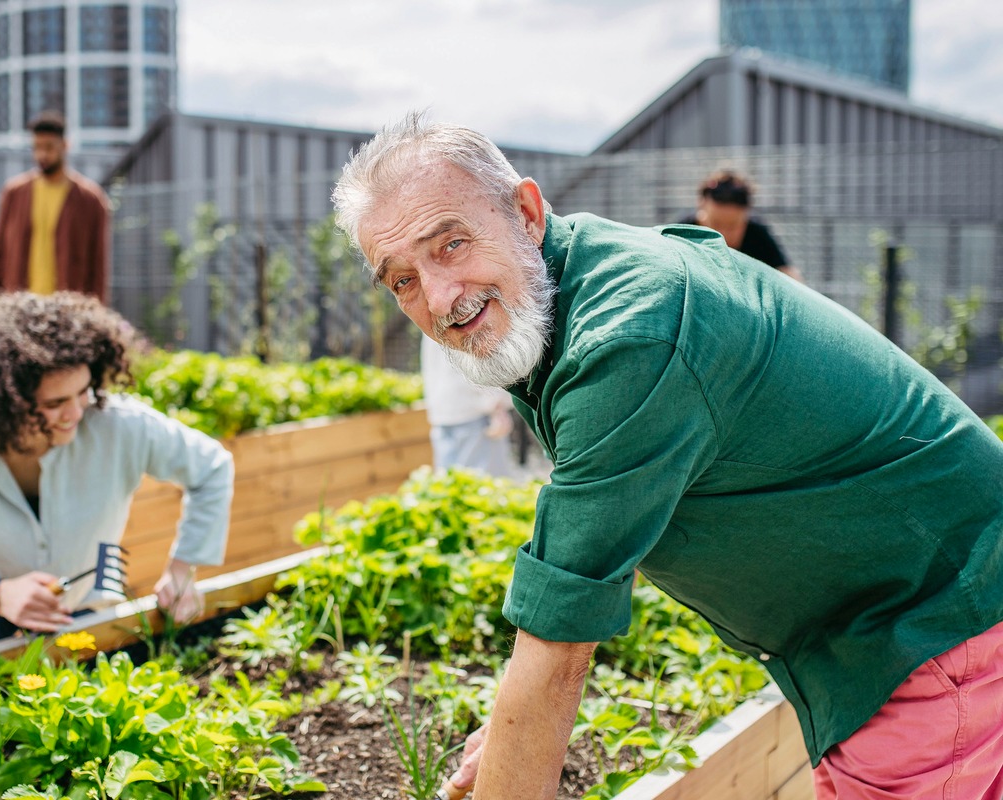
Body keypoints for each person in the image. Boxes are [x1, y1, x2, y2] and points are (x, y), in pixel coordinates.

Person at [332, 114, 1003, 800]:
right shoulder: (567, 294)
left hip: (943, 623)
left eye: (450, 243)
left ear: (526, 213)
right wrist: (511, 734)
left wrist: (516, 752)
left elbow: (559, 641)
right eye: (403, 280)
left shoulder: (629, 338)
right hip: (907, 626)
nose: (439, 297)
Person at [0, 292, 235, 658]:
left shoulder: (120, 424)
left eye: (82, 393)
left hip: (81, 605)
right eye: (54, 404)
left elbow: (212, 467)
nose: (76, 413)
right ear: (4, 404)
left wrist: (182, 570)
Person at [0, 111, 111, 304]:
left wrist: (97, 314)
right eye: (37, 147)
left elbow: (98, 266)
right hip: (20, 307)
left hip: (67, 313)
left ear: (65, 146)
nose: (42, 154)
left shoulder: (91, 199)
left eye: (49, 147)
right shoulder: (14, 193)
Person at [420, 333, 520, 479]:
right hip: (475, 412)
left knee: (449, 485)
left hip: (442, 411)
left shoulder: (429, 315)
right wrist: (497, 405)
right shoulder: (462, 315)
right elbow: (478, 358)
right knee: (486, 486)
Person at [681, 169, 804, 282]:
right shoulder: (681, 233)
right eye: (716, 224)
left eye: (732, 226)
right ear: (700, 207)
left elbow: (786, 273)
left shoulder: (756, 234)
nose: (722, 235)